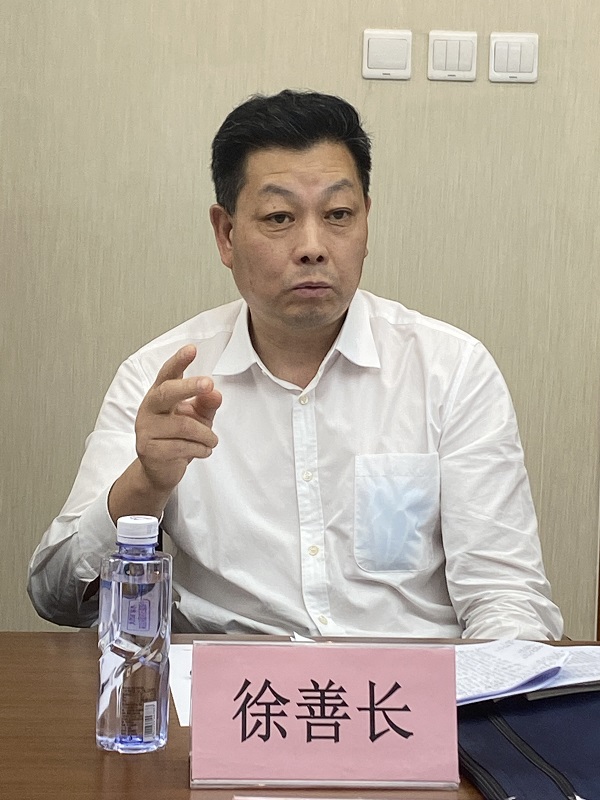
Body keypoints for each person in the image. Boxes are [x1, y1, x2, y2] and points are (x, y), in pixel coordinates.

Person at [28, 89, 563, 640]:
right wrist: (145, 483)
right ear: (226, 234)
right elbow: (57, 597)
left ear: (366, 221)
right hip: (232, 686)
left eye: (338, 215)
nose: (313, 246)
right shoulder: (162, 380)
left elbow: (506, 596)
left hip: (405, 685)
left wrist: (488, 685)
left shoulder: (453, 371)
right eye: (280, 217)